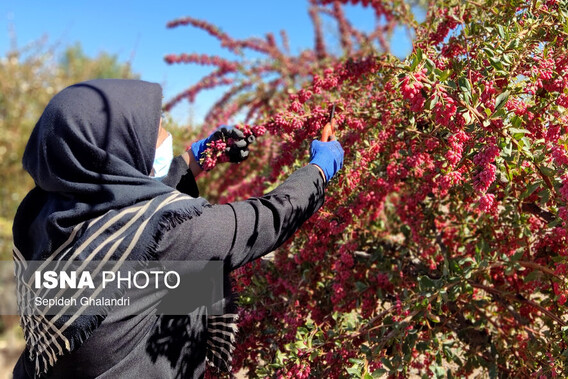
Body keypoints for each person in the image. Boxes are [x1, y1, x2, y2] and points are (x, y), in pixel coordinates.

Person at [12, 79, 344, 378]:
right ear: (114, 146)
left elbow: (128, 197)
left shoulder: (44, 212)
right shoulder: (169, 237)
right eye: (155, 128)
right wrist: (318, 170)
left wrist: (193, 159)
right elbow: (270, 217)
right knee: (203, 281)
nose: (166, 134)